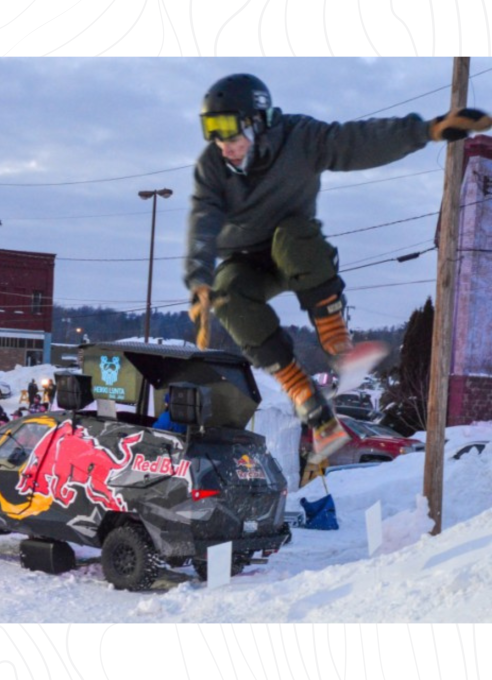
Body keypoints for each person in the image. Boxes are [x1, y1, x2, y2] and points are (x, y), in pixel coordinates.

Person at [186, 72, 492, 461]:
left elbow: (357, 141)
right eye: (213, 135)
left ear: (257, 121)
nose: (223, 146)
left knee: (294, 234)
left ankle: (336, 342)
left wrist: (426, 131)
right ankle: (306, 398)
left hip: (293, 250)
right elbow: (203, 219)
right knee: (225, 290)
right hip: (246, 262)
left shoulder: (300, 138)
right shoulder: (211, 166)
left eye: (230, 134)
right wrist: (198, 279)